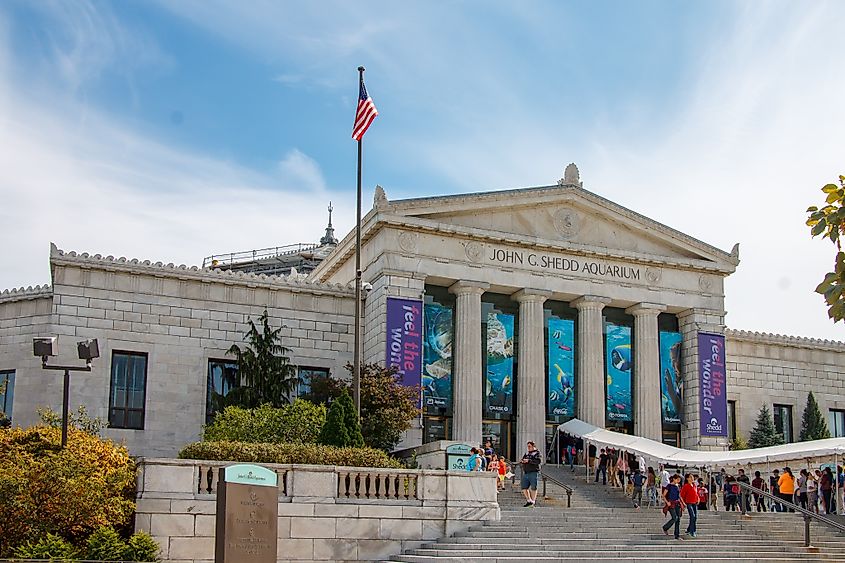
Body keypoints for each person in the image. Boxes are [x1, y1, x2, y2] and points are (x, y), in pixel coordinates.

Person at [662, 474, 685, 540]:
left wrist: (683, 503)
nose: (678, 481)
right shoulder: (669, 486)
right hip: (671, 503)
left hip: (677, 503)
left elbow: (679, 495)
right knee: (675, 517)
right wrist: (667, 502)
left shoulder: (678, 486)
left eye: (679, 480)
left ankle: (677, 535)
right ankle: (665, 527)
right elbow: (663, 495)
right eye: (677, 479)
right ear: (674, 479)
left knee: (678, 520)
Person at [520, 440, 542, 507]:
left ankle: (533, 501)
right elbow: (523, 459)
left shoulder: (537, 453)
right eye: (528, 446)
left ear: (533, 446)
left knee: (534, 487)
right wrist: (522, 461)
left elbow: (538, 461)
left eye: (529, 446)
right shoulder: (527, 453)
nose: (528, 448)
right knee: (524, 487)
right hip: (526, 472)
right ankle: (528, 500)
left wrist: (529, 461)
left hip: (533, 472)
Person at [680, 473, 700, 538]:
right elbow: (681, 495)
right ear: (687, 478)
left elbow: (696, 493)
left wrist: (698, 498)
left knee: (695, 517)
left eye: (692, 477)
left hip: (695, 503)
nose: (692, 478)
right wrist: (683, 503)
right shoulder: (686, 486)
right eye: (690, 477)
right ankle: (692, 531)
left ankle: (689, 529)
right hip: (689, 503)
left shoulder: (694, 485)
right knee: (692, 516)